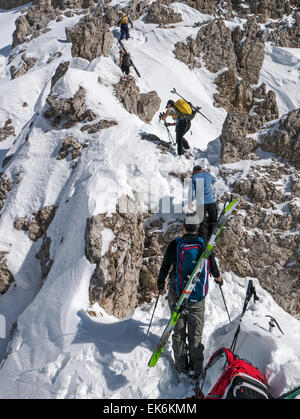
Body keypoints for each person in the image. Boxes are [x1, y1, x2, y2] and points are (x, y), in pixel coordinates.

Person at [157, 219, 223, 380]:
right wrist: (218, 278)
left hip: (177, 295)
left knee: (179, 333)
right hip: (196, 298)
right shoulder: (204, 246)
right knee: (195, 335)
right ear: (198, 227)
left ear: (183, 227)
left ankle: (181, 368)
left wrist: (160, 283)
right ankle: (196, 369)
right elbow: (213, 265)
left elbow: (165, 266)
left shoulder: (175, 245)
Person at [191, 165, 218, 242]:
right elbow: (214, 180)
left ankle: (204, 241)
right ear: (201, 170)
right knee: (213, 220)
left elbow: (191, 193)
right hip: (211, 202)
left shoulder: (193, 178)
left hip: (200, 204)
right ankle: (212, 236)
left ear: (194, 171)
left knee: (202, 224)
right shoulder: (207, 174)